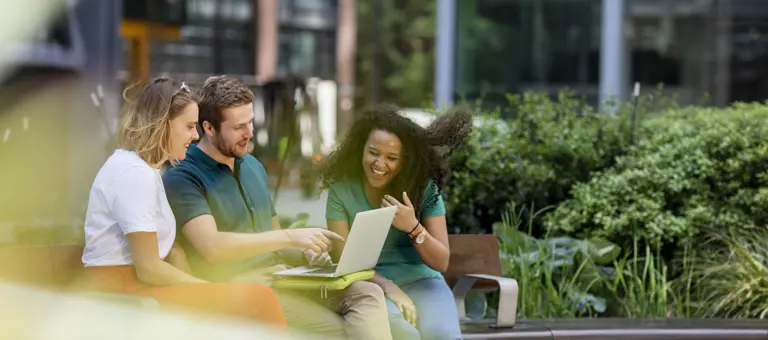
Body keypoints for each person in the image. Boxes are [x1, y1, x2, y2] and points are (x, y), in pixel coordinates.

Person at [162, 75, 392, 340]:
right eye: (238, 127)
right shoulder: (183, 176)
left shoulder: (252, 166)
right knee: (339, 329)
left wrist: (307, 254)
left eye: (250, 122)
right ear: (209, 128)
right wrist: (290, 236)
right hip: (240, 288)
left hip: (281, 277)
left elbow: (274, 238)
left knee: (368, 293)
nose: (249, 133)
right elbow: (211, 247)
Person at [81, 77, 287, 332]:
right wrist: (204, 287)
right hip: (125, 293)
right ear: (162, 123)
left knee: (250, 300)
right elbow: (148, 268)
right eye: (189, 126)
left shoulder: (144, 169)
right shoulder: (134, 174)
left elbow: (163, 252)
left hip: (138, 288)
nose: (194, 135)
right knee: (258, 298)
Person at [319, 104, 473, 340]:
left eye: (391, 158)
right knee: (404, 333)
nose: (379, 164)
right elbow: (346, 260)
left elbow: (441, 261)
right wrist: (390, 288)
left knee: (443, 335)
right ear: (361, 149)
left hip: (423, 282)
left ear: (404, 162)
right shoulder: (341, 192)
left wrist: (412, 226)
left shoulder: (424, 190)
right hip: (369, 285)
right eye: (373, 152)